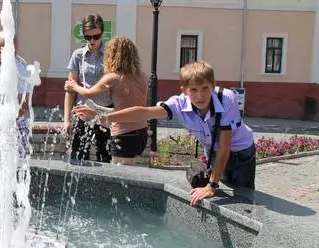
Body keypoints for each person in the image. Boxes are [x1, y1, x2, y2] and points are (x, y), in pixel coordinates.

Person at [74, 61, 256, 206]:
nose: (200, 96)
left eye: (205, 89)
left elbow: (225, 147)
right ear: (184, 90)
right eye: (193, 90)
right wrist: (104, 117)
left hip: (241, 152)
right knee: (223, 193)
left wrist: (211, 185)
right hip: (213, 151)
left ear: (213, 85)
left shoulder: (226, 98)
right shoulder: (178, 104)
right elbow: (144, 112)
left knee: (243, 196)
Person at [64, 36, 148, 165]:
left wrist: (74, 86)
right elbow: (126, 109)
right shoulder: (142, 77)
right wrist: (95, 111)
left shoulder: (112, 78)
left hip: (123, 134)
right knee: (130, 171)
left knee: (119, 175)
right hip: (141, 133)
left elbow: (88, 93)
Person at [63, 14, 112, 163]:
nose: (92, 41)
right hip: (82, 111)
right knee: (78, 157)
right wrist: (66, 121)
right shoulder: (78, 56)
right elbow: (70, 89)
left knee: (105, 156)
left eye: (96, 37)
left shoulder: (111, 55)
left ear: (102, 33)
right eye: (88, 37)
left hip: (104, 111)